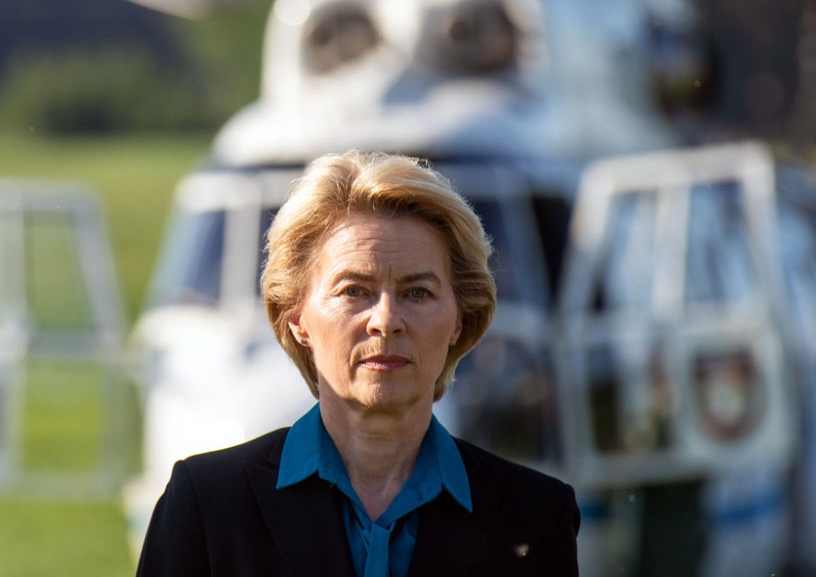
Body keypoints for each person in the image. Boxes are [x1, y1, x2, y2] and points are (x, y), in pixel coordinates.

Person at [136, 150, 580, 576]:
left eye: (418, 293)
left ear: (460, 321)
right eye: (354, 290)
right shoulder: (206, 503)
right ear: (296, 318)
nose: (385, 321)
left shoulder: (536, 515)